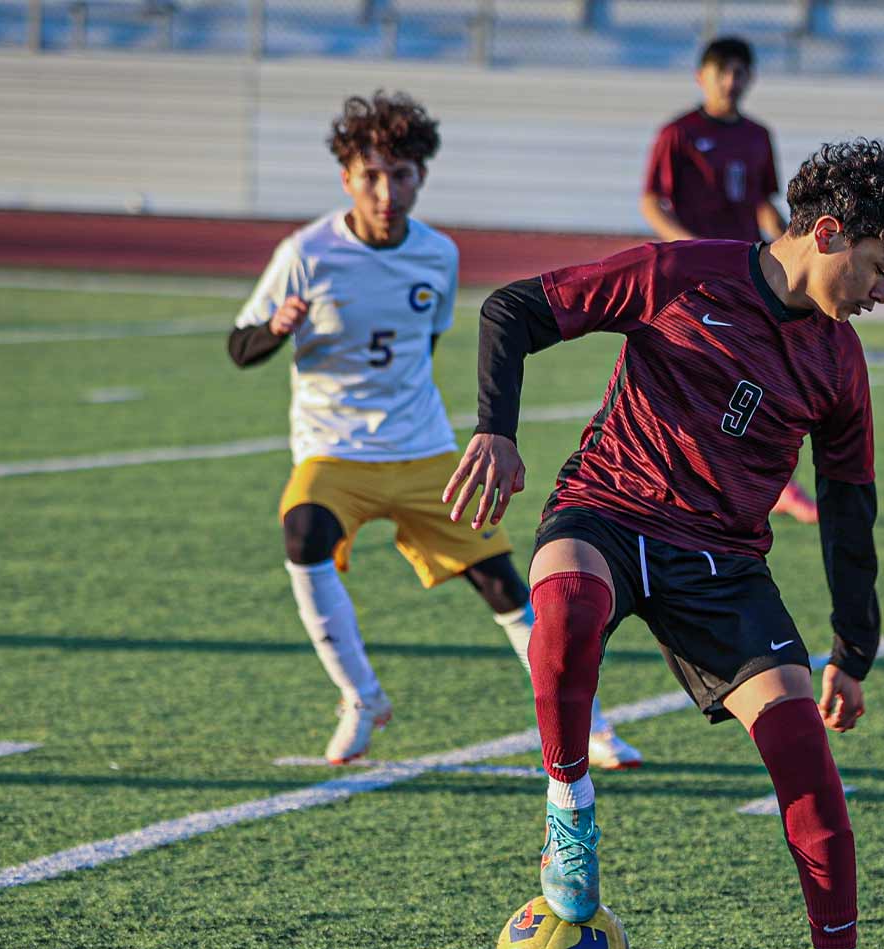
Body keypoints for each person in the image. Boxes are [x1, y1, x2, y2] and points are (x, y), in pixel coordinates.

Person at [445, 140, 884, 949]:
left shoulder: (840, 364)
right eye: (881, 267)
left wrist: (855, 649)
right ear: (829, 234)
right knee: (562, 611)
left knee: (803, 748)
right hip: (605, 509)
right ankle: (570, 811)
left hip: (721, 563)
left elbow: (848, 509)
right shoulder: (676, 273)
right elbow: (514, 308)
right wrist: (497, 431)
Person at [231, 91, 641, 766]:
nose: (386, 191)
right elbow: (238, 346)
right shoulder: (304, 253)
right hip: (334, 453)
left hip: (423, 451)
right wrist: (276, 330)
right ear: (346, 179)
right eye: (371, 175)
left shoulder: (437, 255)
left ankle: (592, 727)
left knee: (506, 585)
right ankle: (361, 696)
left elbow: (423, 348)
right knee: (303, 534)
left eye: (401, 175)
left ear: (422, 176)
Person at [640, 36, 820, 529]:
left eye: (740, 71)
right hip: (696, 278)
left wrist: (790, 243)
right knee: (688, 374)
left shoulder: (758, 135)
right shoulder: (678, 133)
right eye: (722, 71)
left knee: (765, 375)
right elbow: (652, 202)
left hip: (749, 273)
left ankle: (775, 482)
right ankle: (669, 472)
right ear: (702, 77)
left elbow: (763, 201)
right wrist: (688, 248)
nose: (731, 80)